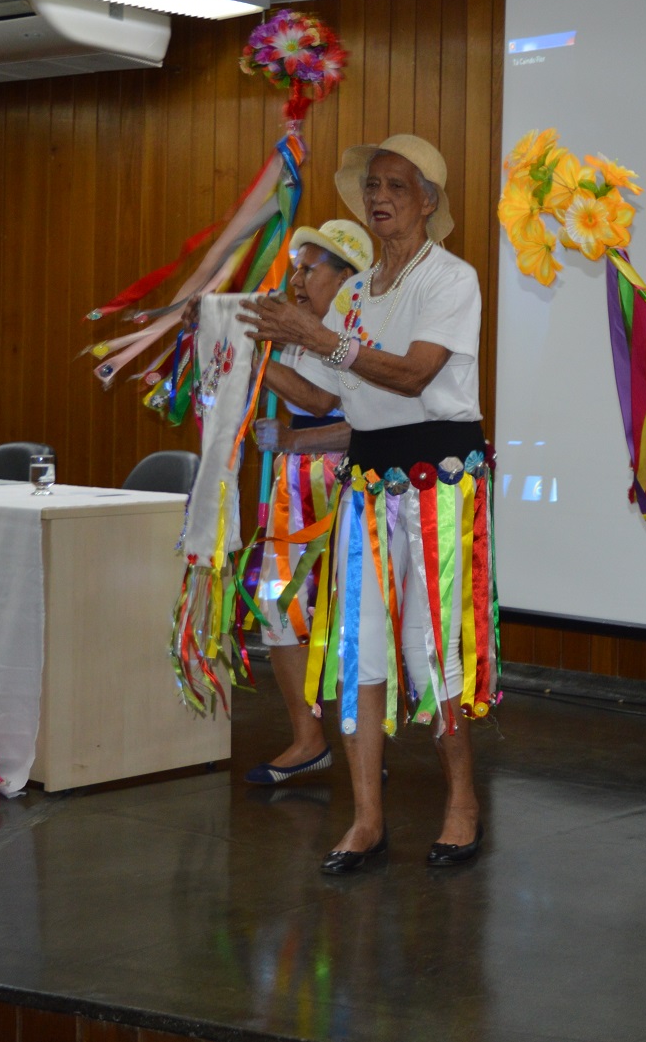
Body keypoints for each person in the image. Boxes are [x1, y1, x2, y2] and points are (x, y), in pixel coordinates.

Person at [241, 134, 498, 875]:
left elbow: (416, 375)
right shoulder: (354, 292)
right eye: (372, 185)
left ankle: (461, 803)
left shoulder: (452, 279)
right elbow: (328, 397)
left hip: (436, 486)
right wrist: (257, 351)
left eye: (395, 185)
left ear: (427, 202)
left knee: (437, 648)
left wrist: (315, 335)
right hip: (368, 488)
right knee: (361, 654)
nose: (379, 196)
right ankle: (366, 818)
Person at [241, 219, 372, 786]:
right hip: (293, 487)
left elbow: (325, 402)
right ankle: (307, 740)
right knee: (278, 606)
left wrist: (253, 359)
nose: (296, 278)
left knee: (350, 618)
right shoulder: (296, 332)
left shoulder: (359, 332)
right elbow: (300, 407)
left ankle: (361, 748)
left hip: (344, 487)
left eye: (309, 267)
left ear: (347, 280)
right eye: (295, 267)